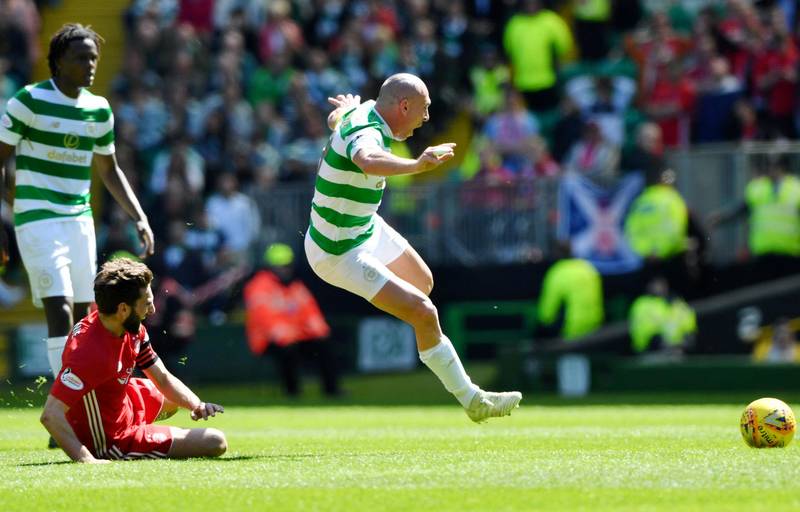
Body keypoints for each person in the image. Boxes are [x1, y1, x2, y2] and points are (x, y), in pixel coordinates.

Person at [305, 73, 521, 423]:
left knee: (423, 283)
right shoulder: (368, 130)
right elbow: (368, 160)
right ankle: (472, 399)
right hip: (336, 250)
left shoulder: (362, 115)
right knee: (423, 311)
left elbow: (339, 119)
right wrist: (419, 165)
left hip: (363, 227)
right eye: (423, 110)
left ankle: (403, 308)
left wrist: (340, 113)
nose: (426, 119)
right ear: (403, 106)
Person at [0, 24, 154, 382]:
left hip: (78, 218)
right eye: (81, 58)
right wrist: (5, 211)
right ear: (57, 61)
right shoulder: (28, 100)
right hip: (36, 216)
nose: (90, 65)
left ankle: (81, 396)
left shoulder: (99, 111)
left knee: (88, 309)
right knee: (60, 304)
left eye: (94, 58)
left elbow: (110, 170)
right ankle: (66, 404)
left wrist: (139, 216)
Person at [40, 258, 226, 463]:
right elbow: (50, 415)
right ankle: (141, 438)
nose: (153, 309)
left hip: (121, 402)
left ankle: (147, 431)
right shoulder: (88, 354)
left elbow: (162, 378)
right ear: (123, 309)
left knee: (175, 400)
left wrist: (197, 405)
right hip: (112, 438)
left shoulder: (128, 327)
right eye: (147, 303)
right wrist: (86, 460)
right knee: (215, 441)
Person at [244, 243, 340, 397]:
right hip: (267, 340)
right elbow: (265, 319)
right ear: (271, 267)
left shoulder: (295, 286)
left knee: (324, 345)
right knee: (287, 350)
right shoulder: (258, 286)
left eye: (288, 266)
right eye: (281, 266)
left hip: (296, 336)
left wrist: (320, 332)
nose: (286, 269)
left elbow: (311, 313)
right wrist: (289, 336)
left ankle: (332, 390)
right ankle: (292, 392)